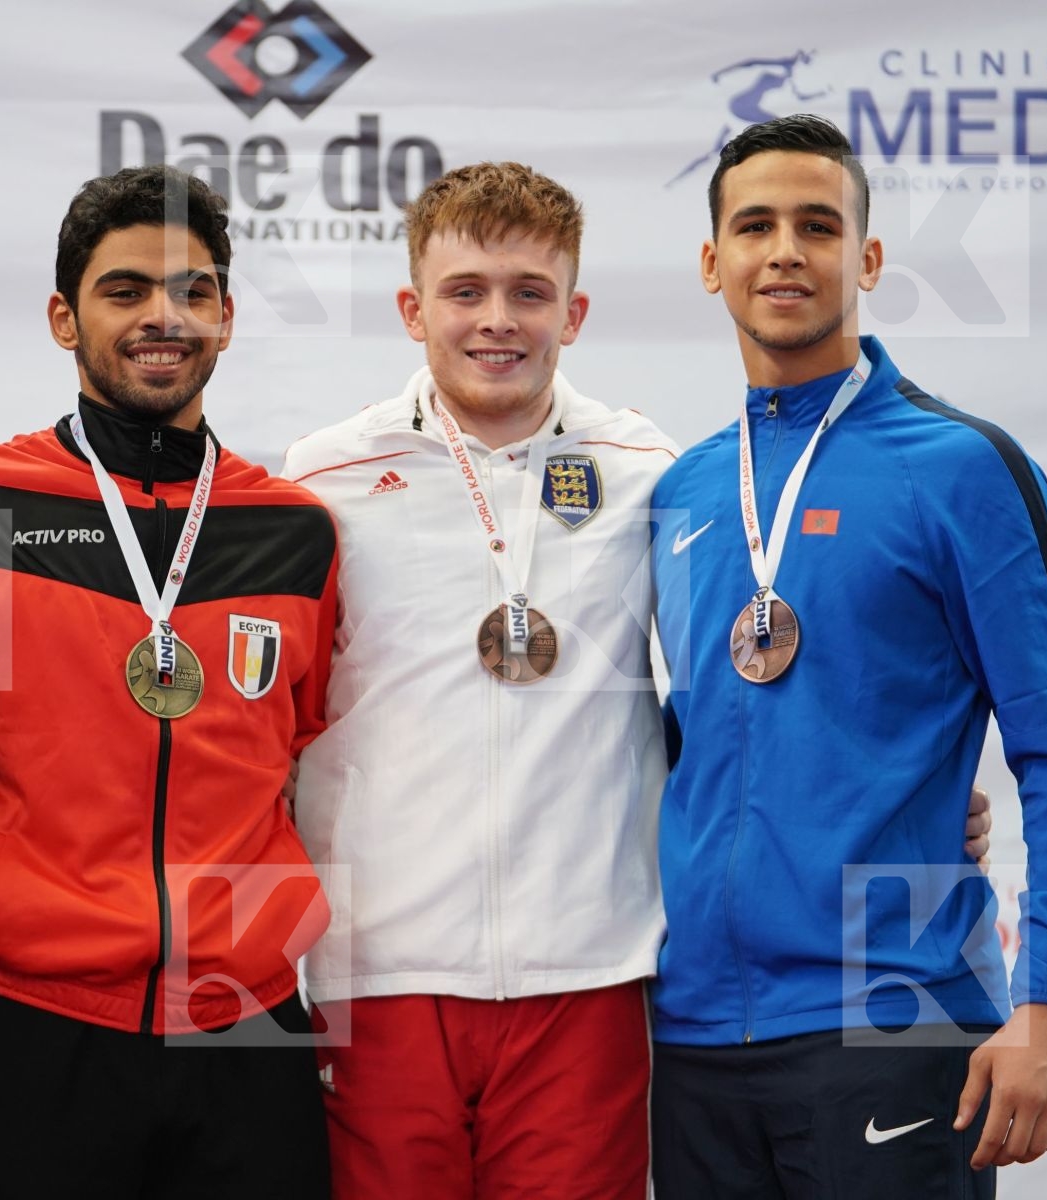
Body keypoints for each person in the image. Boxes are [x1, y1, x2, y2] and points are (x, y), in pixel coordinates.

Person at [648, 114, 1047, 1197]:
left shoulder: (962, 467)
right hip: (693, 1036)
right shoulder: (684, 491)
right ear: (712, 262)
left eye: (817, 226)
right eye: (755, 226)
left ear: (866, 260)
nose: (785, 251)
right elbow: (693, 749)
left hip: (895, 1021)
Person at [0, 165, 338, 1198]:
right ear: (64, 317)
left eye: (194, 291)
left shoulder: (297, 530)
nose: (165, 316)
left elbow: (300, 754)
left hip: (248, 1023)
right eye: (126, 290)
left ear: (227, 318)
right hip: (38, 1022)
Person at [281, 162, 671, 1197]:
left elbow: (734, 696)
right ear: (413, 310)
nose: (497, 319)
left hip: (587, 972)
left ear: (573, 313)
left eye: (529, 292)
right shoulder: (322, 477)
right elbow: (266, 721)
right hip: (381, 973)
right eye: (466, 291)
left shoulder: (649, 470)